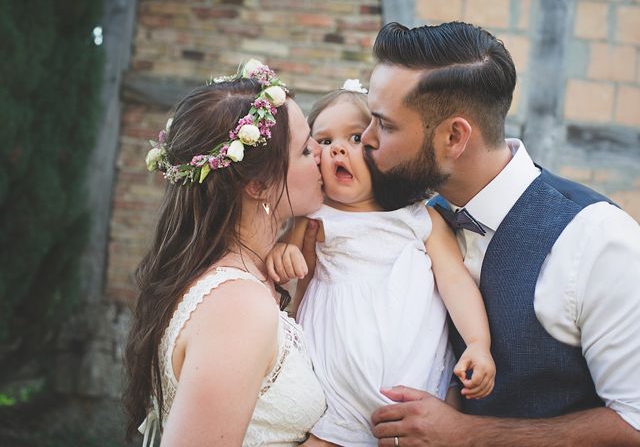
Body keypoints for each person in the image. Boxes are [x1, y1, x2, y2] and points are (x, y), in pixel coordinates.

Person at [356, 22, 640, 445]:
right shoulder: (412, 221)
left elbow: (634, 423)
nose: (366, 139)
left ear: (454, 136)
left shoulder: (597, 238)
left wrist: (468, 434)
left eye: (386, 125)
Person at [266, 81, 495, 446]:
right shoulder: (314, 220)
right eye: (323, 142)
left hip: (415, 392)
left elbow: (455, 282)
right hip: (334, 399)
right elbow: (294, 268)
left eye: (355, 138)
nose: (338, 148)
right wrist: (286, 251)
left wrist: (478, 343)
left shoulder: (420, 219)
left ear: (382, 149)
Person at [122, 59, 328, 446]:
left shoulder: (245, 279)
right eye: (304, 149)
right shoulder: (238, 305)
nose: (322, 152)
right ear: (256, 185)